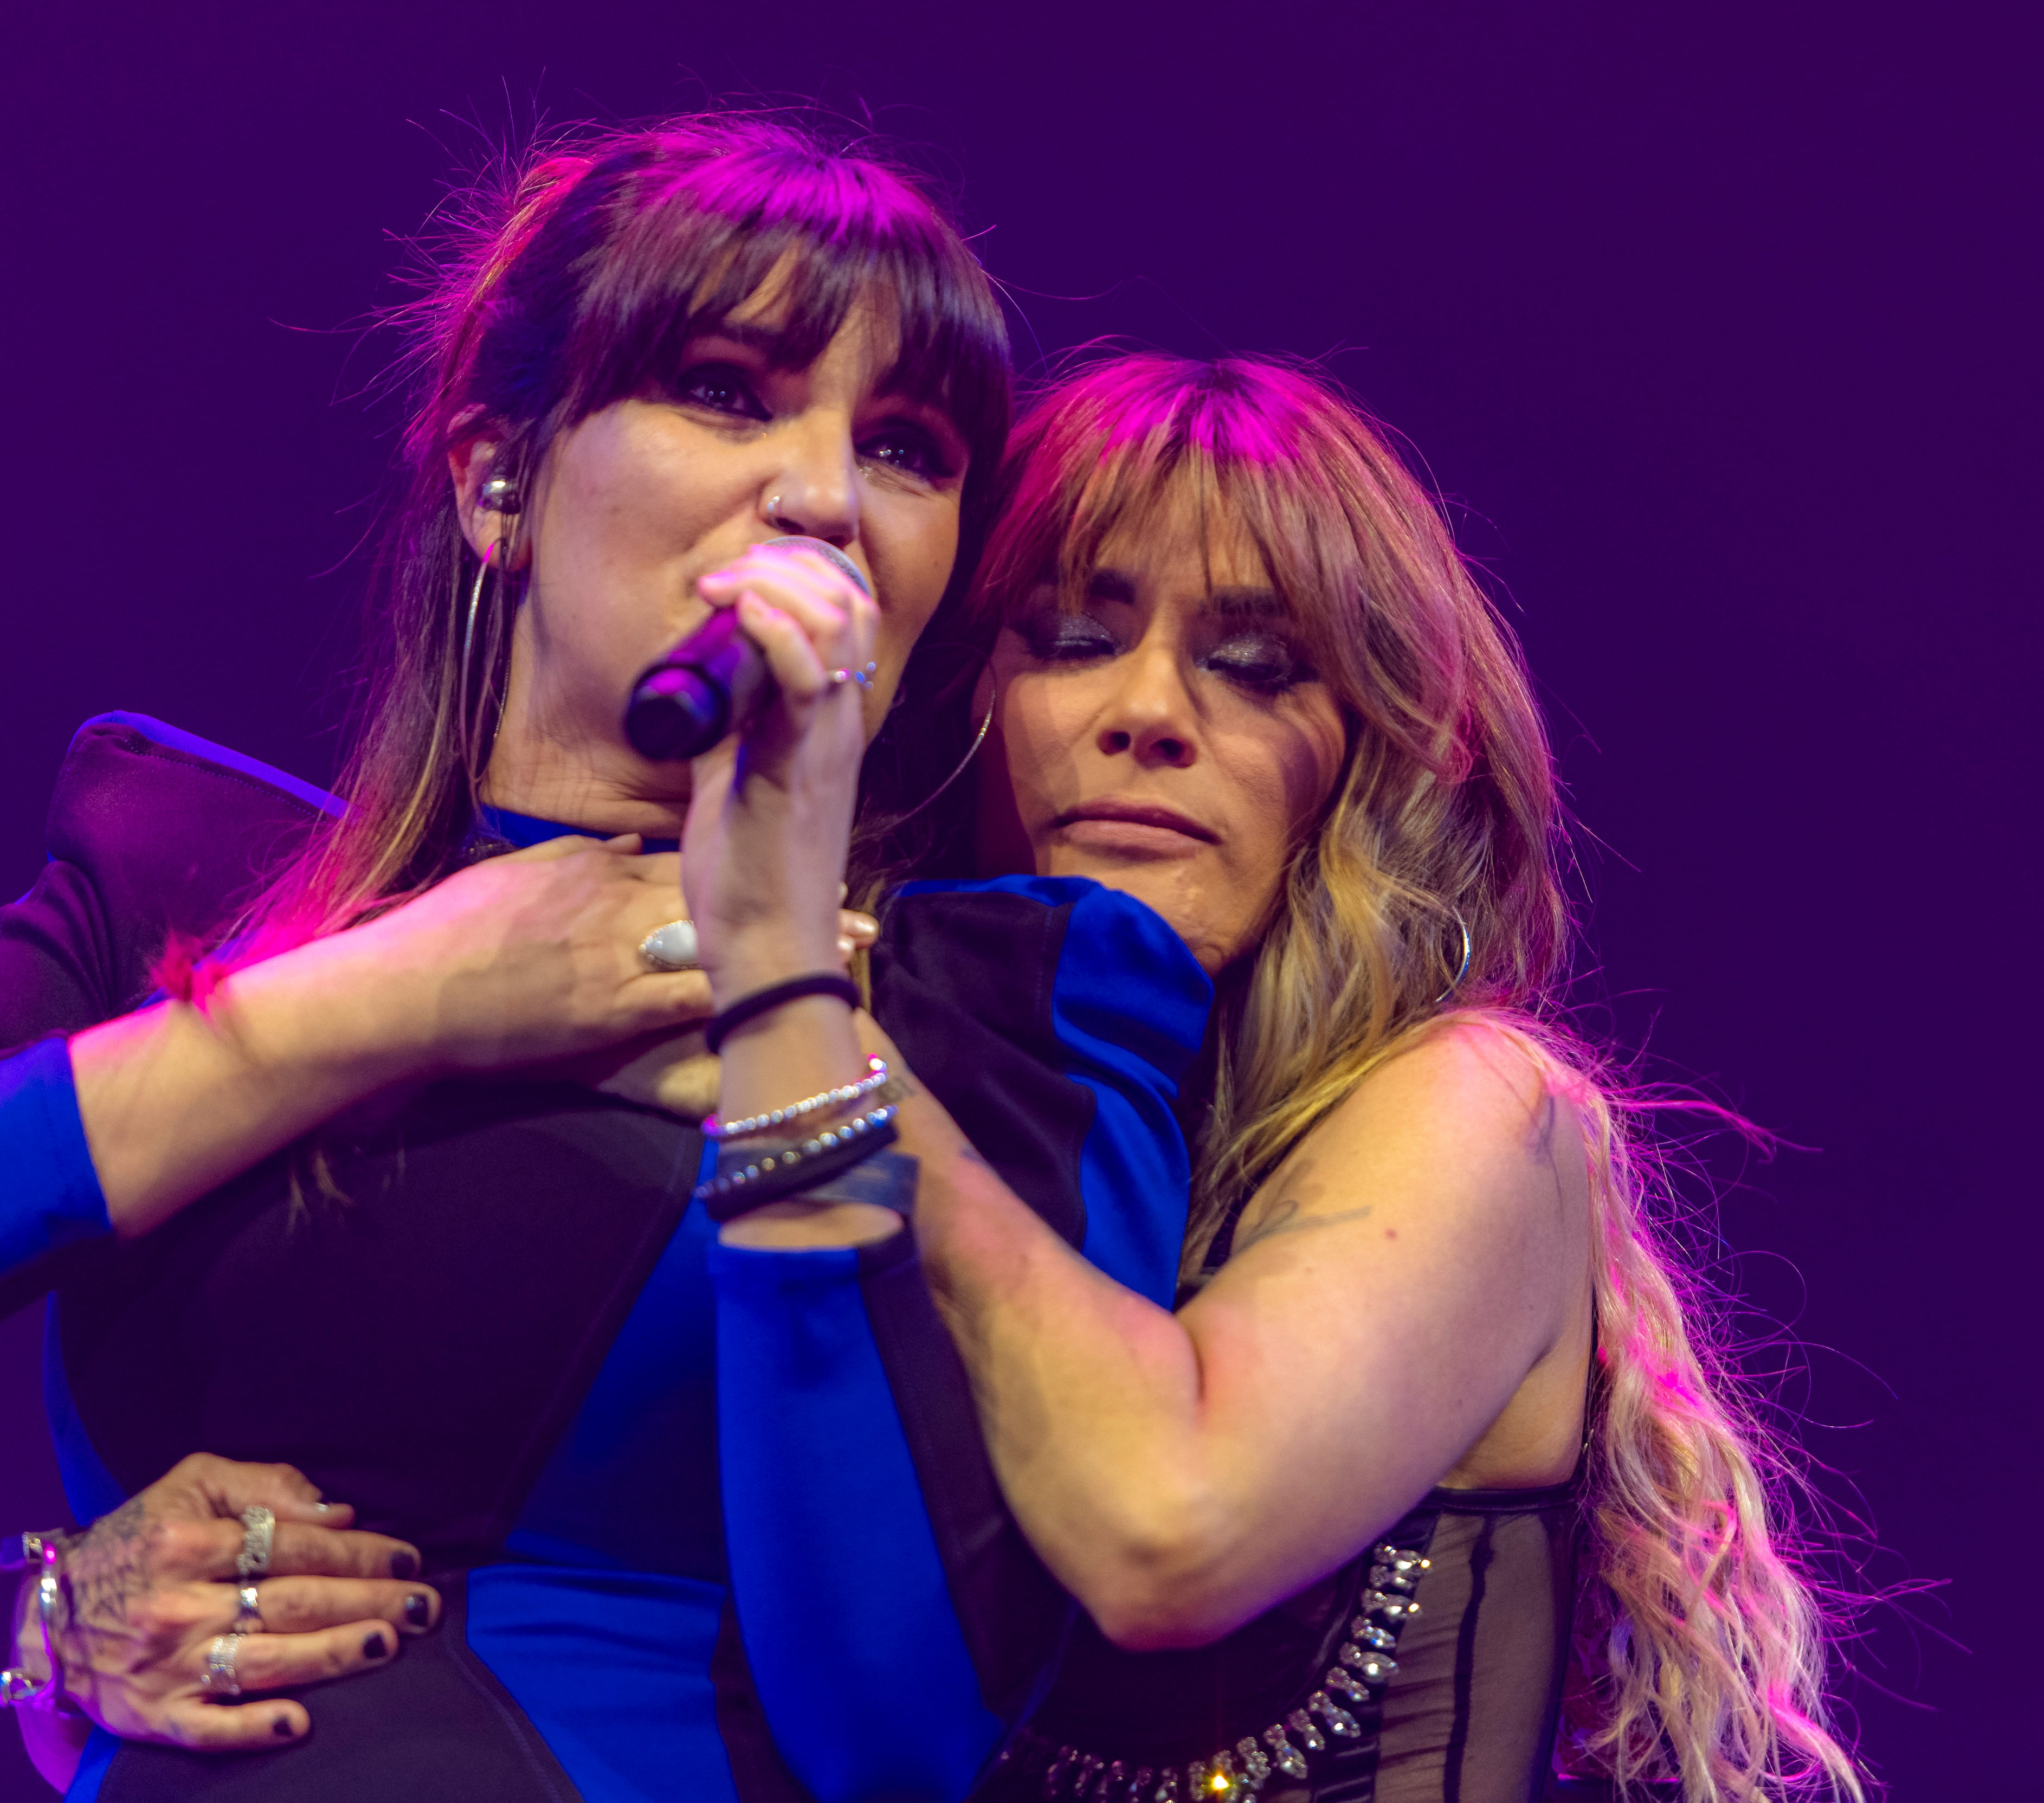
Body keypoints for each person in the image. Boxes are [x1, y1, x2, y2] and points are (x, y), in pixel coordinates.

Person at [0, 113, 1021, 1800]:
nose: (826, 496)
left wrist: (787, 1005)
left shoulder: (963, 1017)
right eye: (726, 390)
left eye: (912, 447)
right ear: (499, 477)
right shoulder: (196, 880)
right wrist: (383, 996)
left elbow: (909, 1730)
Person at [694, 352, 1863, 1802]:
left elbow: (1168, 1529)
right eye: (1068, 637)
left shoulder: (1483, 1110)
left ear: (1396, 742)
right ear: (966, 706)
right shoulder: (869, 1096)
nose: (1148, 713)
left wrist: (805, 1013)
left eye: (1254, 668)